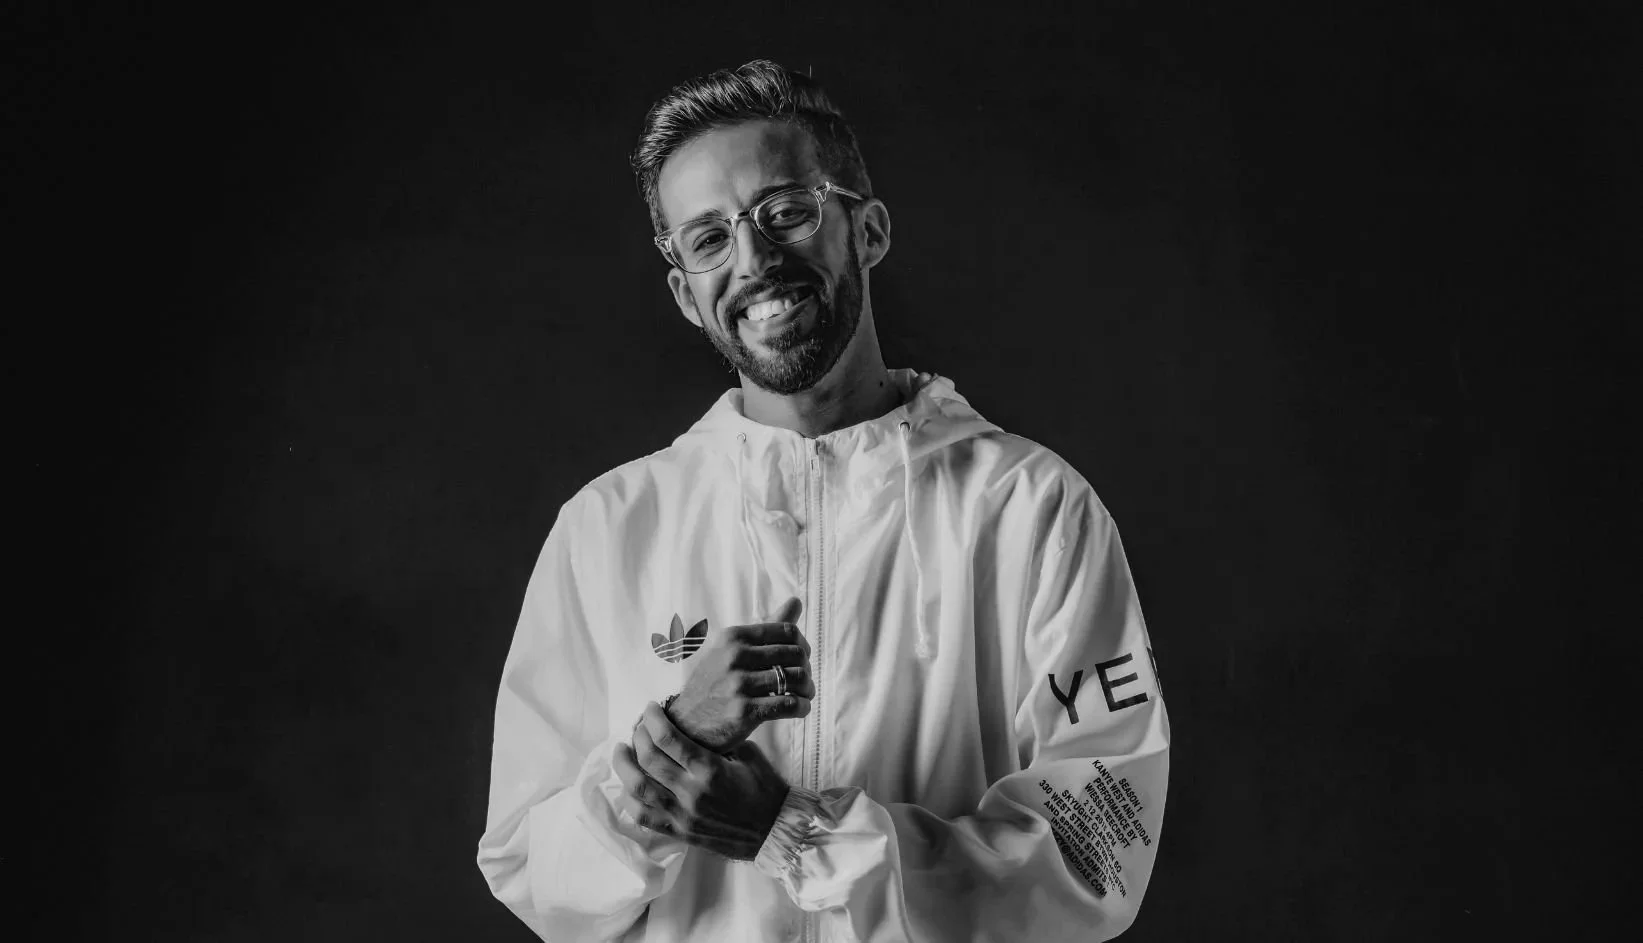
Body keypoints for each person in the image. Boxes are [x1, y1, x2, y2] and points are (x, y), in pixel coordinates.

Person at [477, 59, 1170, 942]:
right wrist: (676, 742)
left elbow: (1094, 859)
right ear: (684, 293)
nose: (755, 261)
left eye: (785, 212)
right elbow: (532, 873)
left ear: (867, 229)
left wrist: (792, 831)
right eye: (709, 239)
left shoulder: (1033, 508)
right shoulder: (608, 528)